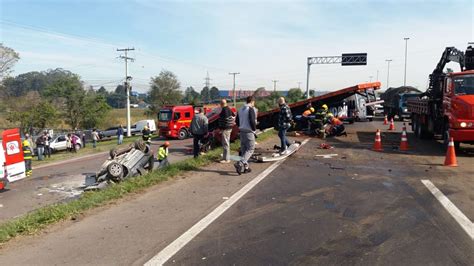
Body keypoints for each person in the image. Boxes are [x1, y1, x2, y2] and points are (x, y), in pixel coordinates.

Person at [234, 96, 257, 175]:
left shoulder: (240, 109)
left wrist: (242, 125)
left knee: (244, 151)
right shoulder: (250, 109)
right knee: (250, 149)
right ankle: (240, 163)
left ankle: (246, 168)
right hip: (249, 132)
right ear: (252, 101)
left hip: (242, 131)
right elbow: (252, 121)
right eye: (254, 102)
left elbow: (237, 121)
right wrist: (254, 129)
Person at [218, 99, 235, 163]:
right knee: (226, 143)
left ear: (221, 104)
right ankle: (225, 157)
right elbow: (233, 115)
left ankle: (226, 159)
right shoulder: (228, 109)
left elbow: (223, 120)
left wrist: (221, 129)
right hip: (229, 128)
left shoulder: (224, 110)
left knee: (225, 143)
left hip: (225, 129)